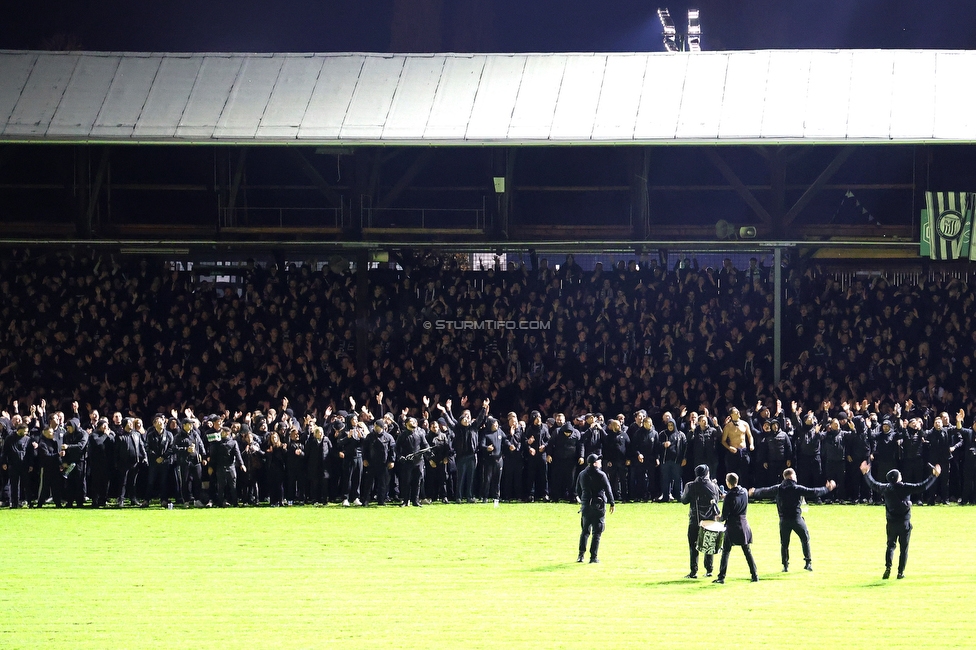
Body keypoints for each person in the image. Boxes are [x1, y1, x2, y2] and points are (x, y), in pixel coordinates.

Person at [860, 460, 941, 579]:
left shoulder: (885, 488)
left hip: (891, 523)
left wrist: (866, 474)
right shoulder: (905, 487)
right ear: (898, 478)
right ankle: (900, 572)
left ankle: (888, 568)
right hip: (904, 523)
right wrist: (934, 475)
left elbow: (873, 484)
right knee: (904, 549)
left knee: (890, 546)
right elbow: (922, 486)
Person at [749, 468, 836, 572]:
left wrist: (754, 492)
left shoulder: (778, 488)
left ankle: (785, 565)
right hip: (796, 519)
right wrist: (827, 489)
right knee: (805, 539)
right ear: (791, 477)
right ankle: (808, 563)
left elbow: (764, 491)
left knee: (784, 543)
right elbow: (813, 492)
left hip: (784, 520)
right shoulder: (797, 488)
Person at [713, 472, 758, 584]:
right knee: (747, 551)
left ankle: (721, 577)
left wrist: (718, 518)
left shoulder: (729, 496)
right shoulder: (744, 492)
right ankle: (755, 575)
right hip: (743, 524)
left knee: (726, 552)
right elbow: (736, 498)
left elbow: (724, 516)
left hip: (732, 526)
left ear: (728, 483)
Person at [680, 464, 721, 579]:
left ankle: (693, 571)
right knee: (709, 544)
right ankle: (709, 570)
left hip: (695, 520)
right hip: (709, 520)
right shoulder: (713, 486)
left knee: (693, 546)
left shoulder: (691, 486)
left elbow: (684, 500)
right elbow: (716, 500)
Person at [575, 453, 615, 564]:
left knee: (585, 531)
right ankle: (593, 557)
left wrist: (583, 500)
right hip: (598, 506)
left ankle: (581, 555)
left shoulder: (582, 474)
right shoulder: (601, 475)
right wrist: (612, 503)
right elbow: (608, 489)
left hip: (586, 505)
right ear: (595, 463)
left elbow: (577, 489)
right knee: (597, 532)